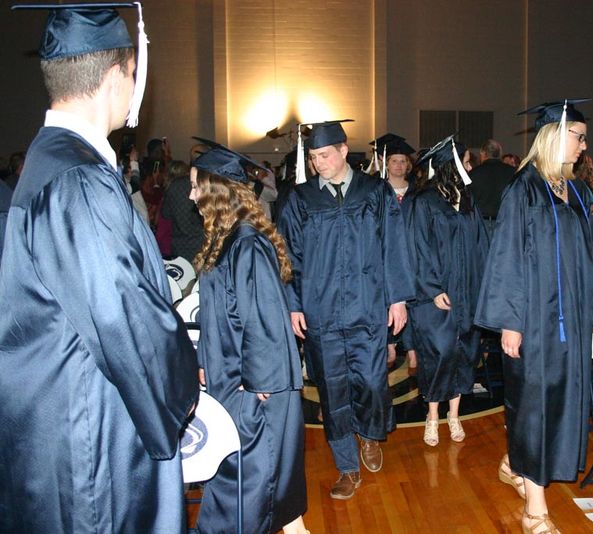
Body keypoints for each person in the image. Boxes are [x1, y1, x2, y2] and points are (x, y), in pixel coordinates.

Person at [0, 5, 198, 532]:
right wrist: (184, 394)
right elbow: (124, 325)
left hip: (57, 418)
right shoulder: (77, 181)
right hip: (94, 437)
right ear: (117, 76)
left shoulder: (51, 161)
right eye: (133, 75)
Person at [475, 100, 593, 534]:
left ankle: (515, 462)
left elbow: (591, 256)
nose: (584, 146)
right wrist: (509, 322)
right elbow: (506, 260)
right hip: (533, 318)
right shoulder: (524, 190)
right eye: (578, 136)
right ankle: (536, 508)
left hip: (570, 315)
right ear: (555, 136)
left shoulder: (577, 192)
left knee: (564, 399)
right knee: (533, 404)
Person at [278, 120, 414, 500]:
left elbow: (394, 245)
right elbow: (287, 256)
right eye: (312, 157)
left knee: (371, 382)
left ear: (342, 150)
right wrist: (292, 304)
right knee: (332, 389)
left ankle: (370, 434)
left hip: (367, 306)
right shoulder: (301, 199)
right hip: (321, 312)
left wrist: (398, 297)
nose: (318, 163)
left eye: (323, 155)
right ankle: (347, 466)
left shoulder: (375, 191)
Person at [189, 144, 308, 534]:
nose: (191, 195)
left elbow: (264, 321)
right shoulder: (225, 239)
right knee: (259, 476)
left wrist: (260, 385)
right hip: (234, 378)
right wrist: (206, 359)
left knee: (250, 481)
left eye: (196, 186)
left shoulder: (246, 244)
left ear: (216, 191)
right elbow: (219, 314)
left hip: (255, 386)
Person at [406, 135, 489, 446]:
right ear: (449, 166)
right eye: (466, 161)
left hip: (466, 292)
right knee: (438, 354)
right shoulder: (423, 203)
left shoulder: (468, 202)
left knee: (464, 353)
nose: (470, 166)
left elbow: (482, 246)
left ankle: (453, 415)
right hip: (435, 296)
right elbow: (417, 249)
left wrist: (483, 287)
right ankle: (431, 415)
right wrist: (431, 287)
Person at [372, 133, 420, 369]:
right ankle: (389, 343)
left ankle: (411, 347)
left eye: (403, 161)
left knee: (410, 300)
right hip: (386, 255)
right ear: (386, 163)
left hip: (412, 254)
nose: (399, 165)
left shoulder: (418, 192)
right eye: (394, 161)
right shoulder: (376, 191)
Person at [469, 139, 516, 239]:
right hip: (506, 223)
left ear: (483, 154)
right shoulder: (513, 173)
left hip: (481, 224)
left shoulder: (474, 174)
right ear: (499, 154)